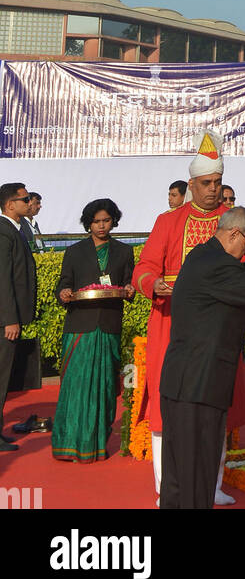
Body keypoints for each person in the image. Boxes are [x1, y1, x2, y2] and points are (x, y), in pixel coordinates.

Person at [133, 131, 245, 504]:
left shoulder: (233, 222)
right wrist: (153, 284)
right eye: (206, 183)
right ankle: (166, 488)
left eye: (217, 182)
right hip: (171, 325)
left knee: (215, 407)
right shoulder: (168, 221)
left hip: (218, 332)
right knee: (166, 410)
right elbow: (143, 268)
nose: (212, 189)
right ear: (191, 184)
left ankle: (212, 484)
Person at [159, 206, 245, 509]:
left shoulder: (202, 256)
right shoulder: (218, 267)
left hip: (182, 381)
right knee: (199, 469)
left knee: (178, 473)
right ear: (235, 233)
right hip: (200, 383)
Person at [52, 198, 135, 462]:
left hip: (108, 325)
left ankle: (95, 444)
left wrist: (131, 289)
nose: (101, 226)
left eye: (106, 220)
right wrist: (64, 292)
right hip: (79, 326)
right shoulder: (75, 251)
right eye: (96, 221)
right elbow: (65, 282)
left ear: (114, 221)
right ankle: (68, 444)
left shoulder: (123, 252)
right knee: (75, 387)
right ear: (88, 222)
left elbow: (129, 283)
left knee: (106, 388)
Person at [0, 182, 37, 452]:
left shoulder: (14, 229)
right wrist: (10, 318)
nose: (29, 202)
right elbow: (3, 280)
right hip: (4, 321)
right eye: (24, 199)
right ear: (10, 204)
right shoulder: (4, 231)